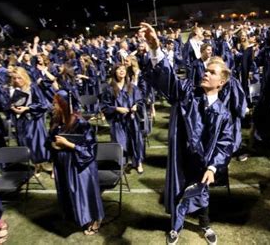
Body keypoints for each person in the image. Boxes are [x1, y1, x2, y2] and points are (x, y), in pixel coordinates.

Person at [141, 22, 234, 245]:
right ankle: (175, 227)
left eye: (211, 72)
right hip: (182, 156)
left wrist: (213, 166)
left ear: (221, 82)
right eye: (206, 69)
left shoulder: (223, 113)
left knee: (202, 193)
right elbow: (170, 81)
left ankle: (205, 225)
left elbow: (226, 141)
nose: (205, 73)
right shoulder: (188, 94)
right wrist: (155, 49)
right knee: (178, 190)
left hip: (204, 160)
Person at [46, 90, 104, 235]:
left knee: (84, 193)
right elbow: (49, 141)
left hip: (81, 164)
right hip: (63, 164)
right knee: (70, 193)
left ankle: (94, 219)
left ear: (65, 104)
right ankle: (79, 218)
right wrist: (54, 145)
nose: (53, 106)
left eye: (56, 103)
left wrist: (69, 145)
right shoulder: (56, 121)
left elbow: (90, 150)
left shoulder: (81, 123)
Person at [100, 64, 145, 174]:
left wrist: (136, 106)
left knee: (136, 141)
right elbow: (104, 106)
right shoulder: (109, 89)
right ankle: (123, 163)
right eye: (119, 69)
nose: (121, 71)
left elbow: (140, 101)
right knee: (120, 143)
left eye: (123, 69)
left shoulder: (132, 87)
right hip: (118, 121)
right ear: (114, 72)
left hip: (132, 120)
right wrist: (116, 108)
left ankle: (138, 163)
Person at [9, 67, 50, 176]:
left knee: (40, 145)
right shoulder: (14, 90)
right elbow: (13, 104)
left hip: (34, 121)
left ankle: (52, 167)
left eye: (19, 78)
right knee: (28, 145)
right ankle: (37, 166)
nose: (17, 80)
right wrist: (13, 108)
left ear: (24, 77)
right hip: (22, 121)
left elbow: (43, 105)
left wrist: (27, 108)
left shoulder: (33, 88)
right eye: (14, 78)